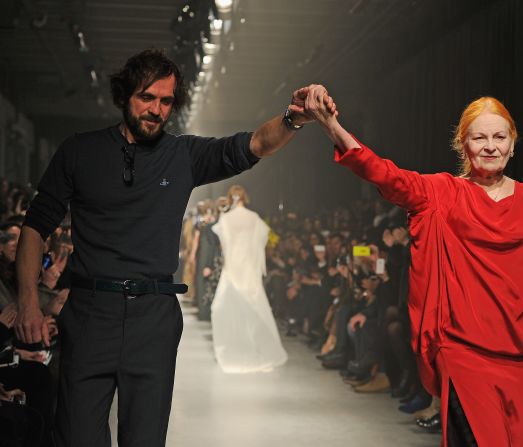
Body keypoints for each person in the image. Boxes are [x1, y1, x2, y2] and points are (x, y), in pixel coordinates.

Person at [303, 94, 523, 446]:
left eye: (499, 136)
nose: (490, 146)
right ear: (464, 145)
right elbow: (384, 174)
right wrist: (331, 124)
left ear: (513, 144)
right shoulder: (442, 193)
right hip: (465, 352)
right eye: (479, 137)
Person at [13, 49, 334, 447]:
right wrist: (28, 300)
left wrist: (291, 118)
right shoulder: (79, 150)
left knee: (145, 439)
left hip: (154, 317)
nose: (156, 110)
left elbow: (253, 145)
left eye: (166, 101)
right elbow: (34, 226)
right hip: (91, 313)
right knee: (76, 437)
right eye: (147, 98)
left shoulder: (183, 154)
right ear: (124, 96)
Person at [210, 185, 288, 372]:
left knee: (224, 306)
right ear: (245, 197)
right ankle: (254, 347)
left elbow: (223, 245)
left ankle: (234, 346)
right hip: (248, 267)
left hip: (233, 265)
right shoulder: (254, 219)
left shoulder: (226, 219)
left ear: (231, 198)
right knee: (253, 306)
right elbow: (262, 241)